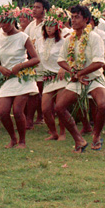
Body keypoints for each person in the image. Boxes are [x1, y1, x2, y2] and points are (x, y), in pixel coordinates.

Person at [54, 5, 105, 152]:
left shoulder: (95, 38)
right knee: (59, 107)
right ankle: (79, 140)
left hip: (94, 78)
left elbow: (99, 62)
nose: (73, 20)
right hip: (77, 79)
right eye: (72, 17)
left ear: (86, 19)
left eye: (77, 17)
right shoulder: (69, 39)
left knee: (102, 105)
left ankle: (96, 136)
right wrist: (74, 72)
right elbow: (61, 59)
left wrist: (81, 73)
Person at [0, 6, 40, 148]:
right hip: (7, 77)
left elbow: (36, 59)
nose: (2, 26)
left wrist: (20, 66)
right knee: (3, 112)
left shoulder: (23, 37)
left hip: (22, 78)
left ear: (13, 21)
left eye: (5, 22)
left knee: (18, 111)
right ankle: (13, 138)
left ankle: (22, 141)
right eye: (0, 23)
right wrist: (0, 68)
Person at [39, 9, 68, 141]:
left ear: (57, 27)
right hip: (48, 78)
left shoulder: (63, 42)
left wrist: (64, 68)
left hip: (61, 77)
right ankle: (53, 132)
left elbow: (70, 57)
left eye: (52, 26)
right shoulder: (40, 41)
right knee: (45, 109)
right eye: (47, 26)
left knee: (59, 107)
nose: (49, 28)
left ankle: (62, 132)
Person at [24, 0, 50, 128]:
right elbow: (25, 39)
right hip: (32, 61)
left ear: (44, 10)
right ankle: (36, 117)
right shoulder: (32, 25)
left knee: (40, 90)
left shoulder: (47, 23)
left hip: (44, 61)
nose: (34, 10)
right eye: (33, 7)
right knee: (35, 90)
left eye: (37, 7)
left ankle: (40, 116)